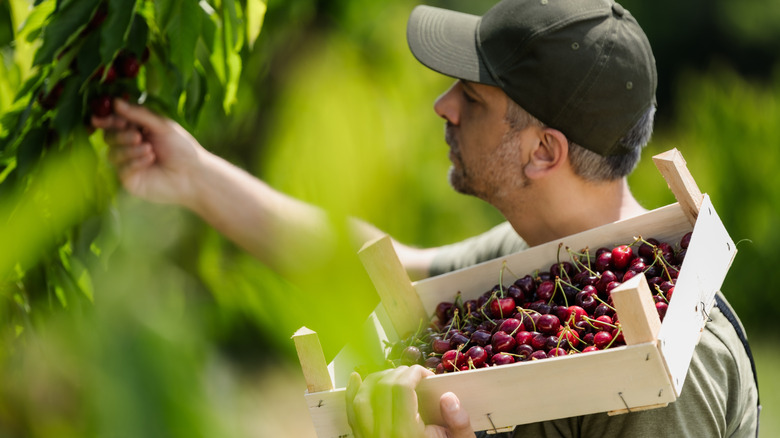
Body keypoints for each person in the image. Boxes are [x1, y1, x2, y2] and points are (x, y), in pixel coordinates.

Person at [92, 0, 760, 436]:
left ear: (543, 151)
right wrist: (195, 174)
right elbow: (382, 274)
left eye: (470, 97)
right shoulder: (539, 261)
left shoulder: (669, 370)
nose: (442, 106)